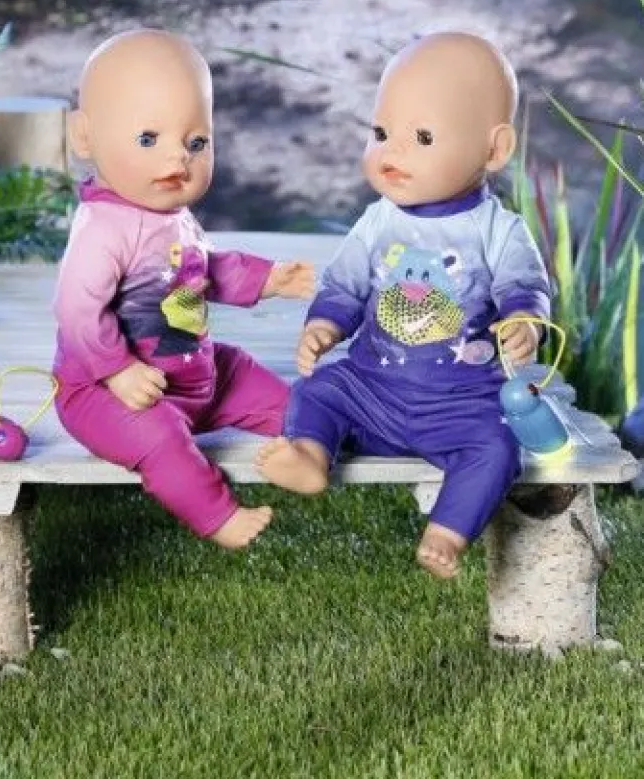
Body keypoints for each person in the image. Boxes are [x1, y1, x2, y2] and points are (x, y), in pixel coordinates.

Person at [256, 30, 551, 579]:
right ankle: (311, 457)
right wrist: (324, 325)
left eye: (422, 136)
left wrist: (524, 324)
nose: (391, 152)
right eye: (381, 133)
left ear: (494, 150)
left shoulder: (497, 229)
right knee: (318, 390)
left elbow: (524, 285)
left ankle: (448, 529)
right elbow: (345, 284)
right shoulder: (378, 221)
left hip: (461, 405)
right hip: (373, 390)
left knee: (497, 447)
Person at [53, 28, 315, 549]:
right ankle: (217, 515)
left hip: (194, 374)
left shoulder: (170, 216)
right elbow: (77, 311)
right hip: (106, 394)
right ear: (85, 137)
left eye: (196, 143)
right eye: (148, 139)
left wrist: (267, 278)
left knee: (249, 376)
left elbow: (204, 269)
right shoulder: (103, 229)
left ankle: (314, 438)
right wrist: (117, 371)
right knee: (160, 437)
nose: (178, 159)